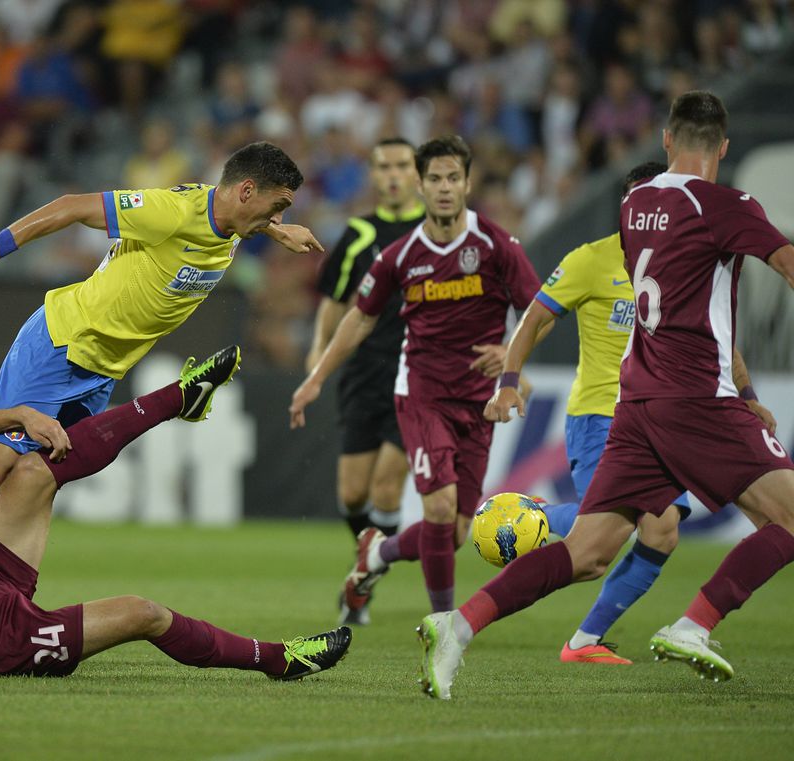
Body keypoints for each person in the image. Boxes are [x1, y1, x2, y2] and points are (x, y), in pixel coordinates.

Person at [419, 91, 794, 700]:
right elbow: (785, 264)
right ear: (723, 147)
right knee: (788, 516)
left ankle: (457, 626)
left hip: (637, 404)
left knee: (590, 550)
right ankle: (694, 625)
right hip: (696, 397)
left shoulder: (636, 205)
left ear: (667, 140)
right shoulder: (728, 205)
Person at [0, 141, 321, 547]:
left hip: (100, 371)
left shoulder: (233, 221)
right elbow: (71, 206)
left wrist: (277, 230)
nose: (279, 218)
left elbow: (233, 220)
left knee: (21, 477)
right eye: (277, 207)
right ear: (246, 191)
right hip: (63, 343)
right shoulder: (172, 212)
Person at [0, 346, 351, 680]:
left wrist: (18, 414)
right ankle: (279, 659)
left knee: (35, 468)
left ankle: (178, 399)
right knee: (143, 613)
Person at [487, 161, 778, 665]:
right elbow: (534, 318)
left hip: (668, 414)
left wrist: (748, 395)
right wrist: (509, 382)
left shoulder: (687, 260)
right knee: (639, 524)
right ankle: (534, 515)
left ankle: (583, 642)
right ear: (628, 206)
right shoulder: (590, 260)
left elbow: (719, 341)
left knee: (662, 534)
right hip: (602, 414)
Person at [290, 135, 541, 616]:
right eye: (435, 179)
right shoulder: (395, 253)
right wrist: (317, 373)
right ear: (421, 186)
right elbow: (354, 315)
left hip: (477, 400)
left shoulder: (496, 243)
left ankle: (377, 553)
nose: (444, 188)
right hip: (418, 392)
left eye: (453, 178)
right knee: (423, 506)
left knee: (458, 530)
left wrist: (511, 358)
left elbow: (538, 308)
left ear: (467, 183)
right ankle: (444, 623)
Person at [305, 137, 424, 626]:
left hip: (416, 374)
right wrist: (318, 351)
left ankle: (363, 585)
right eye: (384, 167)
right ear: (372, 176)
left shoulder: (436, 231)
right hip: (361, 372)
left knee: (386, 488)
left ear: (416, 173)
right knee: (353, 494)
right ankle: (365, 567)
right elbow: (334, 301)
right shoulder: (357, 233)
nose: (393, 175)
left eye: (402, 165)